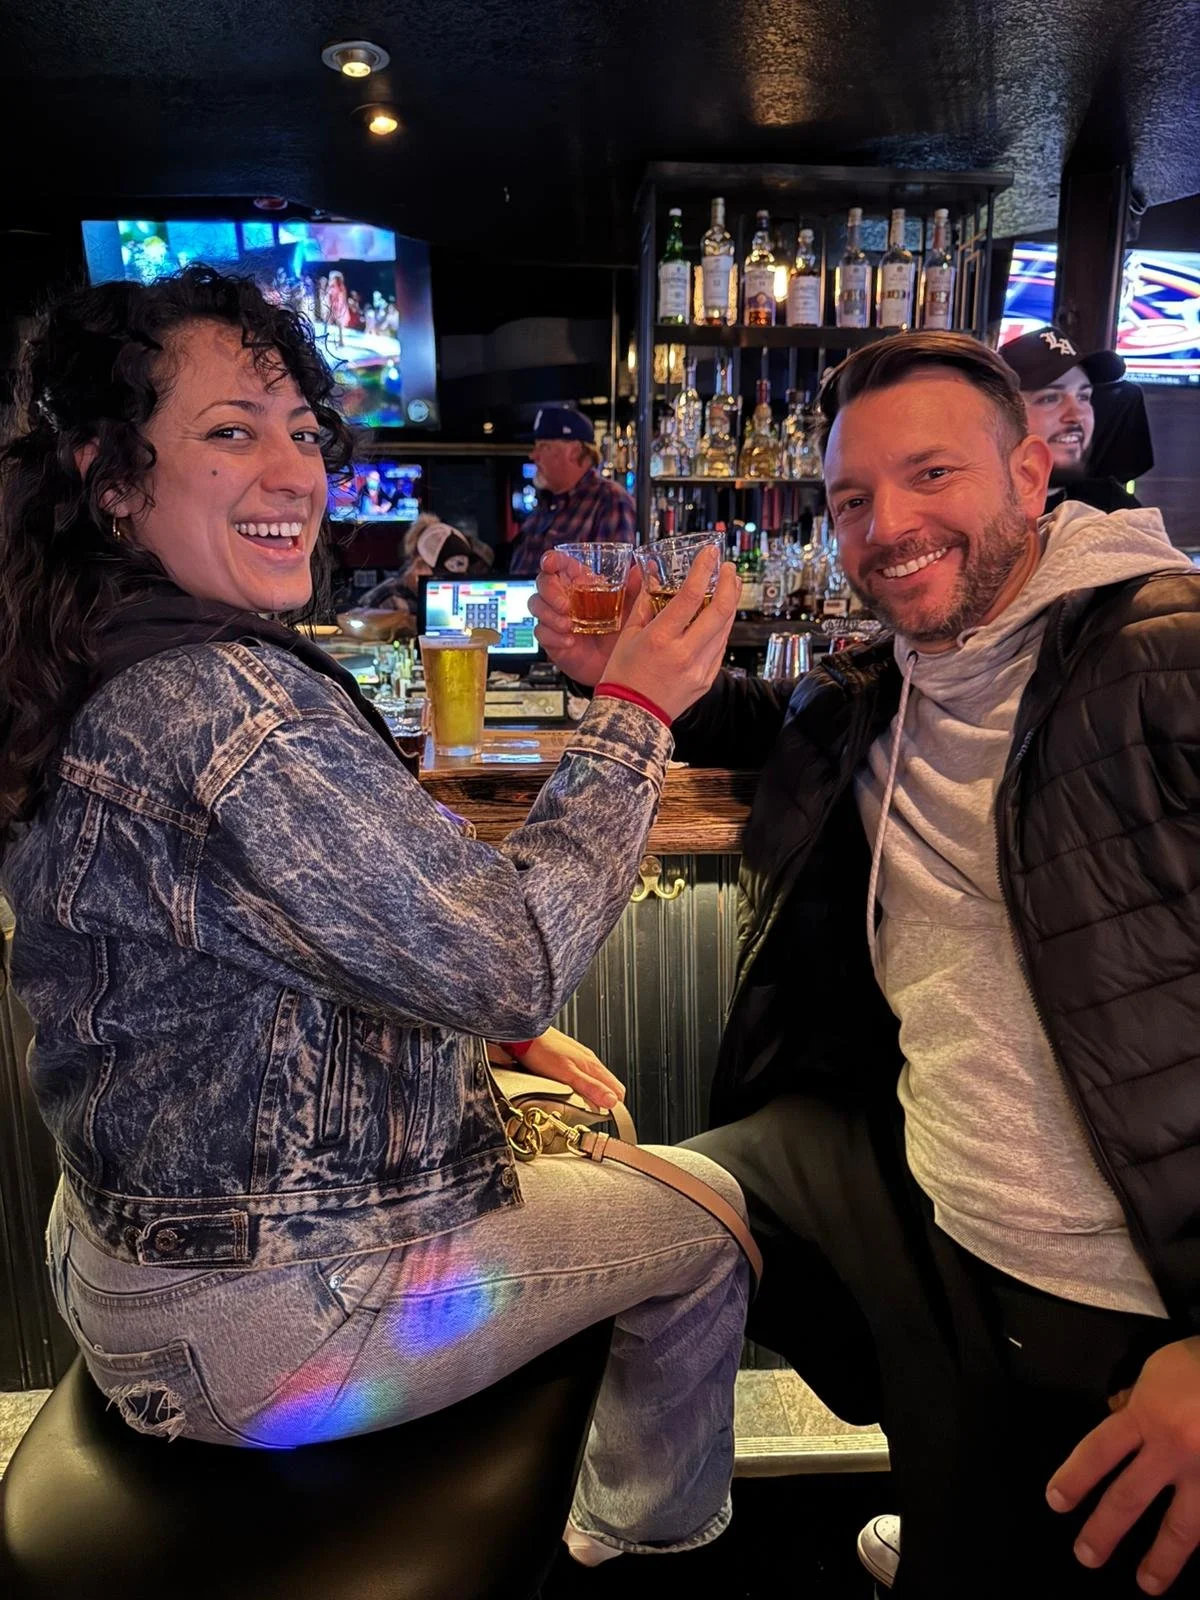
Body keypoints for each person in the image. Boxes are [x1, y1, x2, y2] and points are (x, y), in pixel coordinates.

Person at [0, 266, 752, 1568]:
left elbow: (265, 956)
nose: (293, 470)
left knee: (566, 1112)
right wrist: (632, 713)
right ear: (110, 475)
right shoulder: (225, 706)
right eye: (230, 431)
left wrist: (491, 1050)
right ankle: (646, 1551)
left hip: (119, 1269)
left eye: (303, 432)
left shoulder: (84, 654)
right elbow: (513, 962)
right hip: (270, 1320)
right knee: (713, 1217)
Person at [532, 331, 1200, 1597]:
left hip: (1128, 1292)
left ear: (1033, 467)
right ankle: (648, 1522)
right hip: (933, 1205)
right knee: (651, 1191)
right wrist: (627, 681)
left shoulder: (1165, 651)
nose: (887, 525)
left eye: (931, 476)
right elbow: (773, 734)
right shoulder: (882, 690)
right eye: (851, 499)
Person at [1000, 324, 1144, 514]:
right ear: (1000, 415)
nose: (1076, 416)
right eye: (1050, 398)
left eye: (1083, 397)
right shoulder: (968, 508)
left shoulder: (1112, 509)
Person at [507, 406, 635, 578]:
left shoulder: (609, 499)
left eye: (544, 447)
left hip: (566, 605)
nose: (533, 455)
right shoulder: (547, 502)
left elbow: (613, 583)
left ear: (574, 451)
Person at [338, 515, 495, 638]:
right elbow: (350, 621)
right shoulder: (393, 596)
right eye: (444, 575)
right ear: (421, 567)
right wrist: (406, 622)